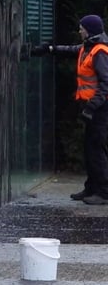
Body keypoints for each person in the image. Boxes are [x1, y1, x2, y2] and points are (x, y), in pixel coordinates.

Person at [31, 14, 108, 204]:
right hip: (91, 108)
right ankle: (91, 188)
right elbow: (71, 49)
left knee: (97, 150)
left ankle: (104, 192)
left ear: (89, 30)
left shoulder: (100, 51)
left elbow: (106, 83)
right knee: (90, 149)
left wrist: (92, 107)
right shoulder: (87, 48)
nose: (79, 30)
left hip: (99, 109)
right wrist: (49, 49)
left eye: (82, 28)